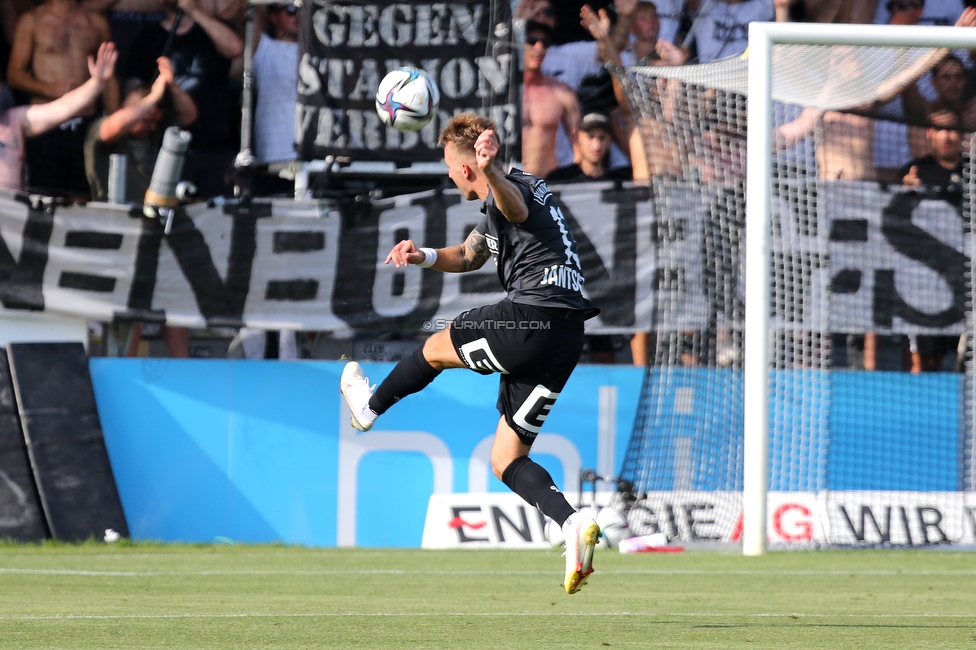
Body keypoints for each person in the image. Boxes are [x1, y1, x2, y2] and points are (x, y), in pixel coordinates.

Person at [339, 112, 602, 595]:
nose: (448, 174)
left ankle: (368, 407)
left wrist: (492, 170)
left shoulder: (507, 188)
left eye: (448, 166)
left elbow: (514, 207)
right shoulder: (519, 189)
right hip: (566, 334)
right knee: (506, 458)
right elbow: (472, 254)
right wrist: (424, 256)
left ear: (465, 170)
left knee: (437, 345)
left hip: (531, 317)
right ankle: (571, 523)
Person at [126, 0, 244, 198]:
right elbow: (131, 98)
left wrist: (193, 10)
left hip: (216, 145)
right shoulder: (147, 39)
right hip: (168, 148)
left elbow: (235, 48)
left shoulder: (210, 31)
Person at [6, 0, 117, 196]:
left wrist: (116, 120)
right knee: (43, 196)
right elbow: (14, 74)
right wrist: (47, 89)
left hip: (87, 125)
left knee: (86, 196)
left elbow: (109, 77)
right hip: (46, 126)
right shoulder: (32, 21)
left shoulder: (96, 22)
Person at [897, 104, 964, 372]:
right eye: (940, 129)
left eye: (953, 130)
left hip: (966, 278)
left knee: (964, 361)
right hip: (926, 279)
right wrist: (905, 192)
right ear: (929, 134)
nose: (947, 136)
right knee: (926, 360)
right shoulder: (915, 171)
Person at [84, 56, 197, 202]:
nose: (153, 126)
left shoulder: (153, 132)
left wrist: (172, 84)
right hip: (114, 215)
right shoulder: (102, 127)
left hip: (151, 213)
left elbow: (189, 115)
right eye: (147, 121)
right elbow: (115, 126)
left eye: (155, 122)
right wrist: (154, 96)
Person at [521, 20, 580, 179]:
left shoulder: (561, 92)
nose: (539, 48)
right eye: (532, 42)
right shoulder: (499, 92)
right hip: (504, 186)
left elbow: (579, 146)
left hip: (547, 184)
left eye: (545, 43)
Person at [546, 112, 633, 183]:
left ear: (609, 141)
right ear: (577, 138)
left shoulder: (623, 180)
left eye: (602, 138)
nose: (596, 146)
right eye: (590, 137)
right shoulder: (559, 179)